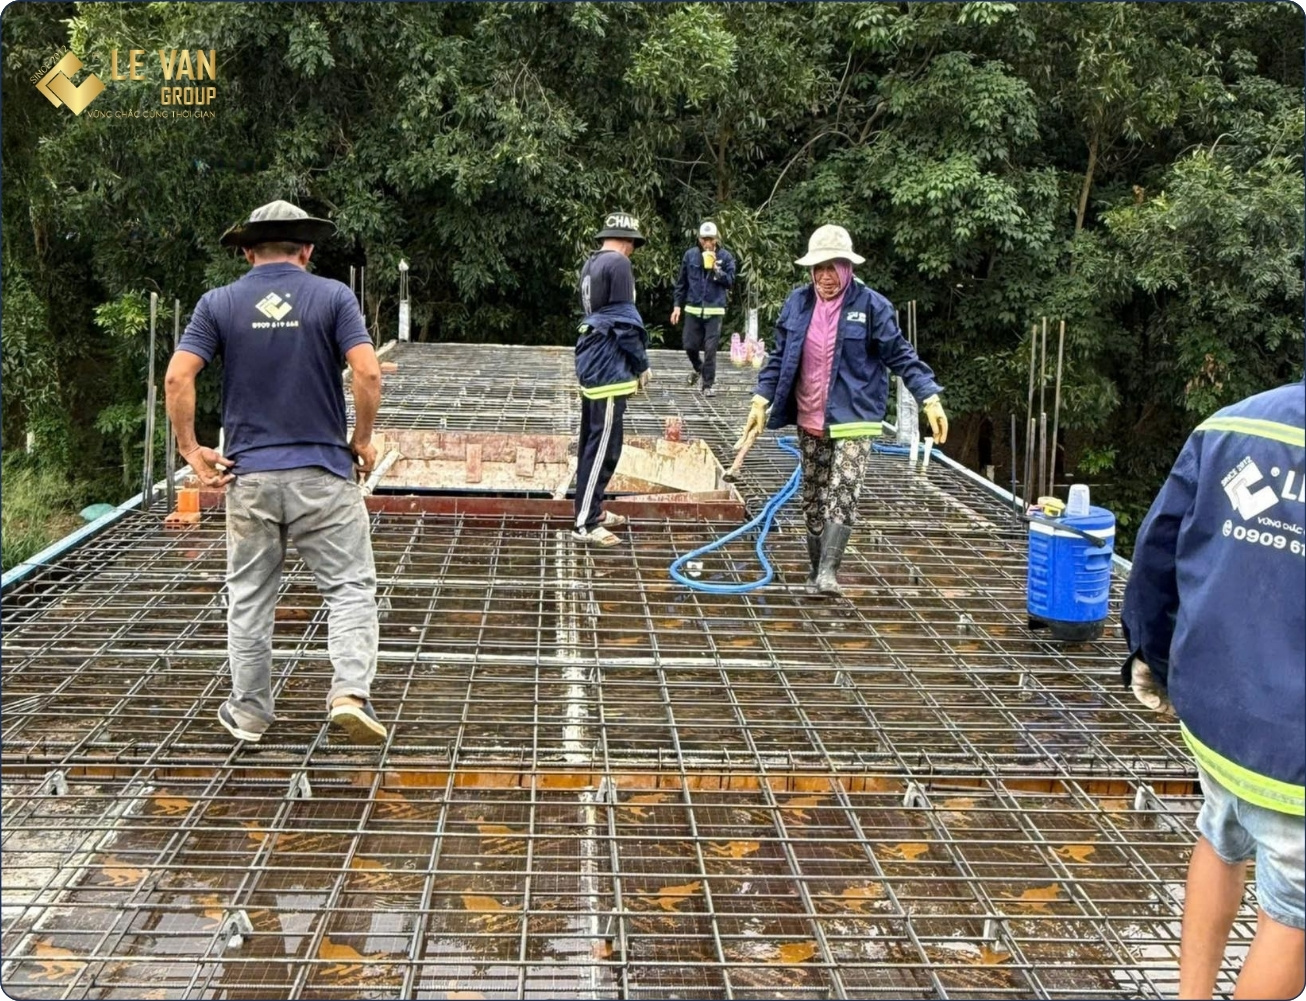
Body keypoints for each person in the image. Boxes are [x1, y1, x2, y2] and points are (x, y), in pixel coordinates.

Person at [164, 200, 388, 746]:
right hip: (323, 474)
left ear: (247, 252)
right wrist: (361, 440)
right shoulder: (333, 296)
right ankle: (349, 695)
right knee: (349, 587)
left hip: (250, 478)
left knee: (249, 595)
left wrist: (190, 449)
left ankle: (249, 713)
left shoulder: (218, 303)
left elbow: (176, 378)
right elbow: (367, 373)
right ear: (306, 249)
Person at [1121, 381, 1304, 1000]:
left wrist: (1153, 657)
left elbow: (1157, 555)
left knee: (1220, 838)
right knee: (1292, 914)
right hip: (1296, 753)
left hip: (1217, 711)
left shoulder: (1234, 425)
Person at [736, 224, 948, 597]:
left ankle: (829, 573)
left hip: (855, 416)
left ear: (847, 267)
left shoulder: (872, 306)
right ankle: (815, 570)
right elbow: (779, 358)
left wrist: (928, 396)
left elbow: (900, 354)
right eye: (818, 268)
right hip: (810, 415)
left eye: (832, 267)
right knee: (813, 496)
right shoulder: (797, 304)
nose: (825, 276)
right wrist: (760, 400)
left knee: (843, 490)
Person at [573, 211, 651, 547]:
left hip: (593, 360)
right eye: (633, 244)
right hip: (608, 369)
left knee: (601, 443)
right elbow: (624, 324)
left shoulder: (591, 263)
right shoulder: (619, 264)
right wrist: (642, 363)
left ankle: (593, 509)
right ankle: (586, 523)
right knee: (602, 447)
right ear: (628, 241)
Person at [672, 220, 737, 396]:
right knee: (689, 345)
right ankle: (699, 368)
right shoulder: (690, 256)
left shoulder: (726, 257)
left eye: (710, 239)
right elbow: (681, 283)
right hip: (693, 309)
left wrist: (716, 269)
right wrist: (677, 306)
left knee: (710, 350)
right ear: (699, 239)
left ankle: (707, 385)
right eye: (704, 239)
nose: (707, 243)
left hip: (714, 310)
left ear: (716, 239)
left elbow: (730, 282)